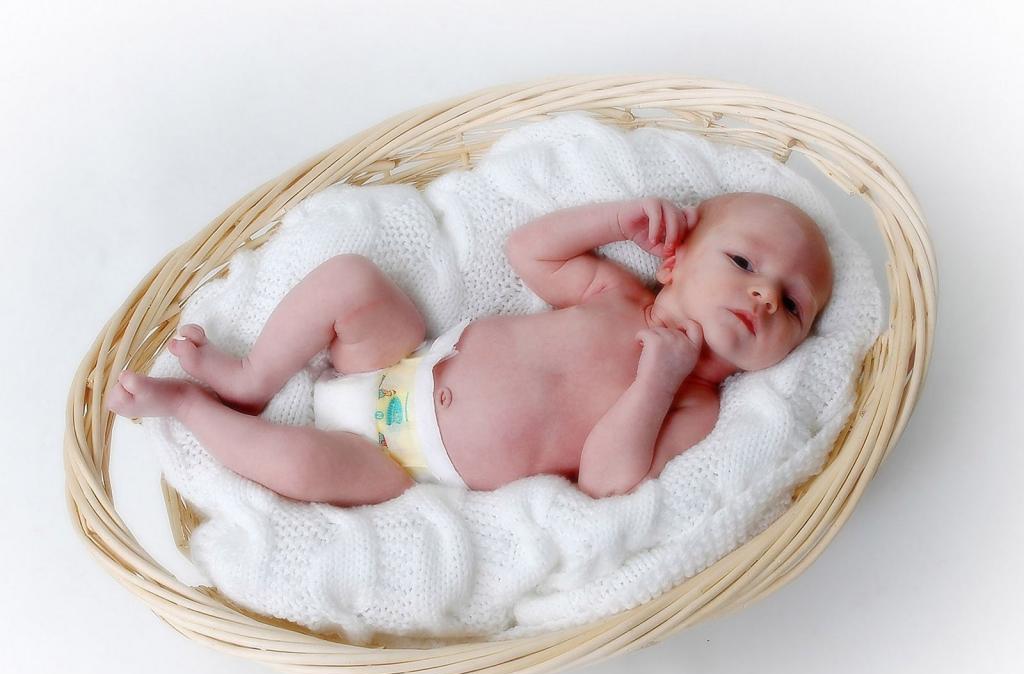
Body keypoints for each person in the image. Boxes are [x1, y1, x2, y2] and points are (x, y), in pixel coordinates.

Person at [107, 192, 834, 506]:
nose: (764, 295)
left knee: (299, 464)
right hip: (402, 361)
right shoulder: (617, 293)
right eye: (744, 262)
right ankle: (251, 377)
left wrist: (657, 380)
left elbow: (607, 479)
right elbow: (530, 251)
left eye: (794, 305)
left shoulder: (694, 405)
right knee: (352, 279)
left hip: (406, 466)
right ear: (673, 259)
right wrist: (618, 219)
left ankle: (192, 410)